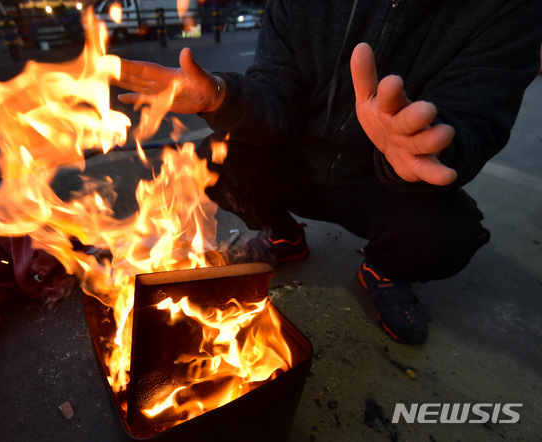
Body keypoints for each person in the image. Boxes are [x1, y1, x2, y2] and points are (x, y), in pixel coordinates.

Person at [114, 0, 542, 344]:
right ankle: (283, 235)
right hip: (297, 162)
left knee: (449, 235)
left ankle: (384, 270)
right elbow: (275, 93)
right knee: (214, 159)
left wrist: (422, 146)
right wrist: (222, 98)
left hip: (388, 183)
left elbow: (478, 120)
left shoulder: (509, 11)